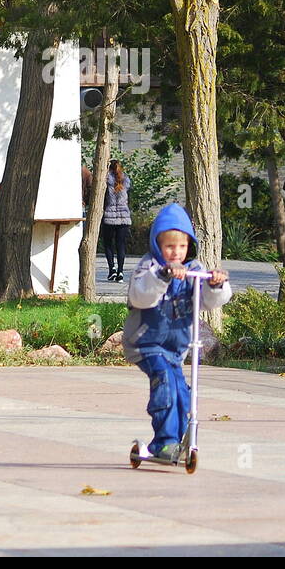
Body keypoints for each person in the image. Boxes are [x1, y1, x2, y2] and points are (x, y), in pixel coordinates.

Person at [123, 202, 231, 462]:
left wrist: (216, 284)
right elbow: (140, 297)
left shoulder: (194, 270)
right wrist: (164, 276)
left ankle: (180, 438)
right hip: (146, 344)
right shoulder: (148, 267)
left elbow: (210, 301)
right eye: (170, 246)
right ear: (158, 245)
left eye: (181, 247)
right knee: (165, 385)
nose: (176, 252)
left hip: (177, 347)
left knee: (184, 393)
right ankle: (165, 442)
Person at [101, 159, 132, 281]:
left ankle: (111, 269)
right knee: (121, 245)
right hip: (124, 217)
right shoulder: (125, 180)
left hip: (109, 216)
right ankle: (121, 272)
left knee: (108, 244)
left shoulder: (106, 180)